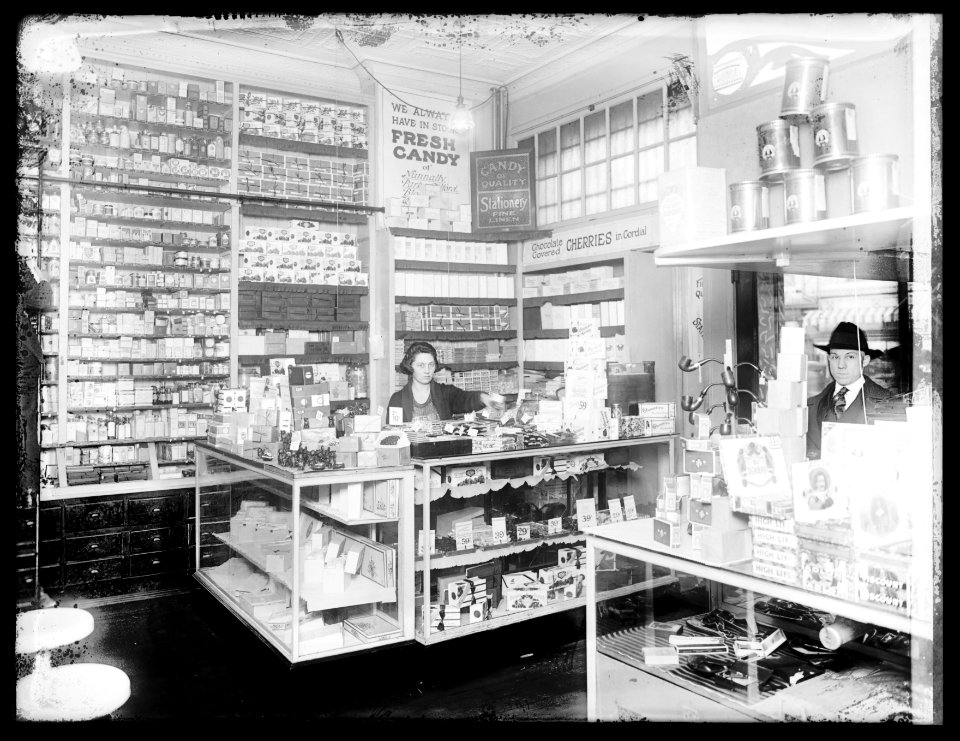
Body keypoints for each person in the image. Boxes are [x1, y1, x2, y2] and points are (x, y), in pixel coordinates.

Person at [806, 321, 898, 459]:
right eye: (835, 357)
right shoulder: (810, 407)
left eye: (850, 357)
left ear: (865, 360)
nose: (841, 365)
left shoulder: (889, 404)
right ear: (829, 359)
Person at [387, 341, 503, 423]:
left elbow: (464, 398)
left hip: (440, 454)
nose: (427, 371)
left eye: (431, 365)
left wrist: (484, 398)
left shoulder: (445, 393)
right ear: (410, 366)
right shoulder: (397, 400)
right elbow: (393, 435)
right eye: (421, 365)